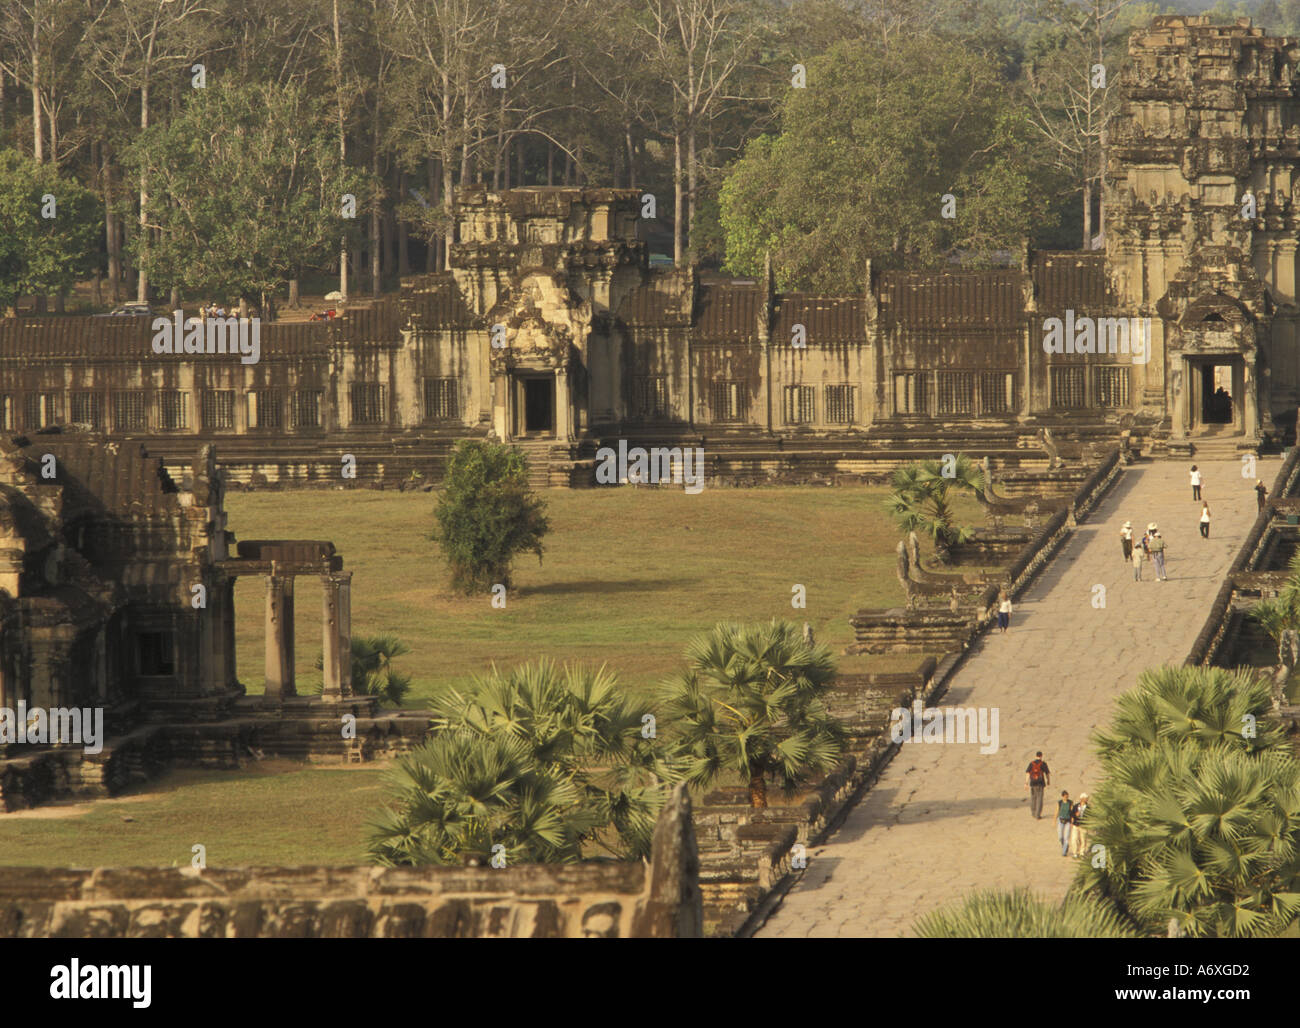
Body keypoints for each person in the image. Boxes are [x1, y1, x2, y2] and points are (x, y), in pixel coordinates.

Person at [1025, 752, 1050, 819]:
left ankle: (1033, 813)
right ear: (1041, 756)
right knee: (1039, 799)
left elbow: (1027, 773)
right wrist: (1048, 781)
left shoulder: (1031, 763)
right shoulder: (1043, 764)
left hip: (1033, 783)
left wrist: (1026, 783)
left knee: (1033, 798)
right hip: (1040, 783)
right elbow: (1047, 773)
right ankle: (1037, 815)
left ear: (1036, 756)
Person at [1069, 793, 1090, 858]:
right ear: (1081, 799)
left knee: (1083, 839)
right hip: (1076, 825)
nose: (1086, 799)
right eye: (1085, 798)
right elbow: (1072, 815)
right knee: (1074, 839)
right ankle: (1075, 852)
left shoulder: (1088, 808)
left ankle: (1082, 852)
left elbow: (1090, 817)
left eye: (1086, 798)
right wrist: (1072, 822)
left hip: (1084, 825)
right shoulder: (1076, 806)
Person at [1057, 790, 1073, 856]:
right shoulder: (1060, 802)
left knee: (1066, 837)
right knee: (1060, 837)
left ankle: (1064, 852)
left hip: (1067, 821)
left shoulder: (1070, 802)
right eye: (1065, 796)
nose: (1066, 798)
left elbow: (1072, 812)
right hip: (1060, 820)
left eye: (1067, 796)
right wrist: (1054, 820)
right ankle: (1064, 845)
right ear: (1062, 796)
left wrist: (1072, 821)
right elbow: (1057, 811)